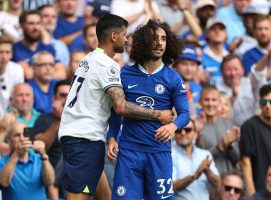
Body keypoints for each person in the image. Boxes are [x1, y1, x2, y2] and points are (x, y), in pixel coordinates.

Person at [58, 14, 174, 200]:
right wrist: (158, 114)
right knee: (79, 196)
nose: (126, 39)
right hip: (84, 139)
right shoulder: (107, 64)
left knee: (105, 196)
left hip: (81, 136)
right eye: (124, 34)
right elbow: (120, 107)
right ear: (113, 36)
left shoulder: (88, 59)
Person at [108, 19, 190, 199]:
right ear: (143, 42)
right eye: (153, 38)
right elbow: (116, 111)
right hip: (129, 152)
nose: (159, 43)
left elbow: (185, 114)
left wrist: (173, 126)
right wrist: (112, 136)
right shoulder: (124, 74)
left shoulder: (173, 78)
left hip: (158, 153)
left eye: (163, 39)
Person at [240, 84, 271, 197]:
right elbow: (245, 162)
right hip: (261, 190)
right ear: (260, 103)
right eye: (264, 102)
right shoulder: (249, 126)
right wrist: (251, 194)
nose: (268, 106)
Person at [0, 122, 55, 200]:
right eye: (17, 135)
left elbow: (50, 182)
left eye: (24, 134)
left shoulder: (39, 159)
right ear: (9, 140)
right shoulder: (1, 162)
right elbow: (3, 183)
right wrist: (16, 154)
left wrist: (43, 154)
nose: (22, 138)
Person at [172, 120, 220, 200]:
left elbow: (219, 184)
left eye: (188, 130)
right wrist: (196, 174)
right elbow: (171, 187)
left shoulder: (205, 154)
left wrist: (208, 172)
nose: (183, 133)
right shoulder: (170, 155)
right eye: (179, 130)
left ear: (195, 134)